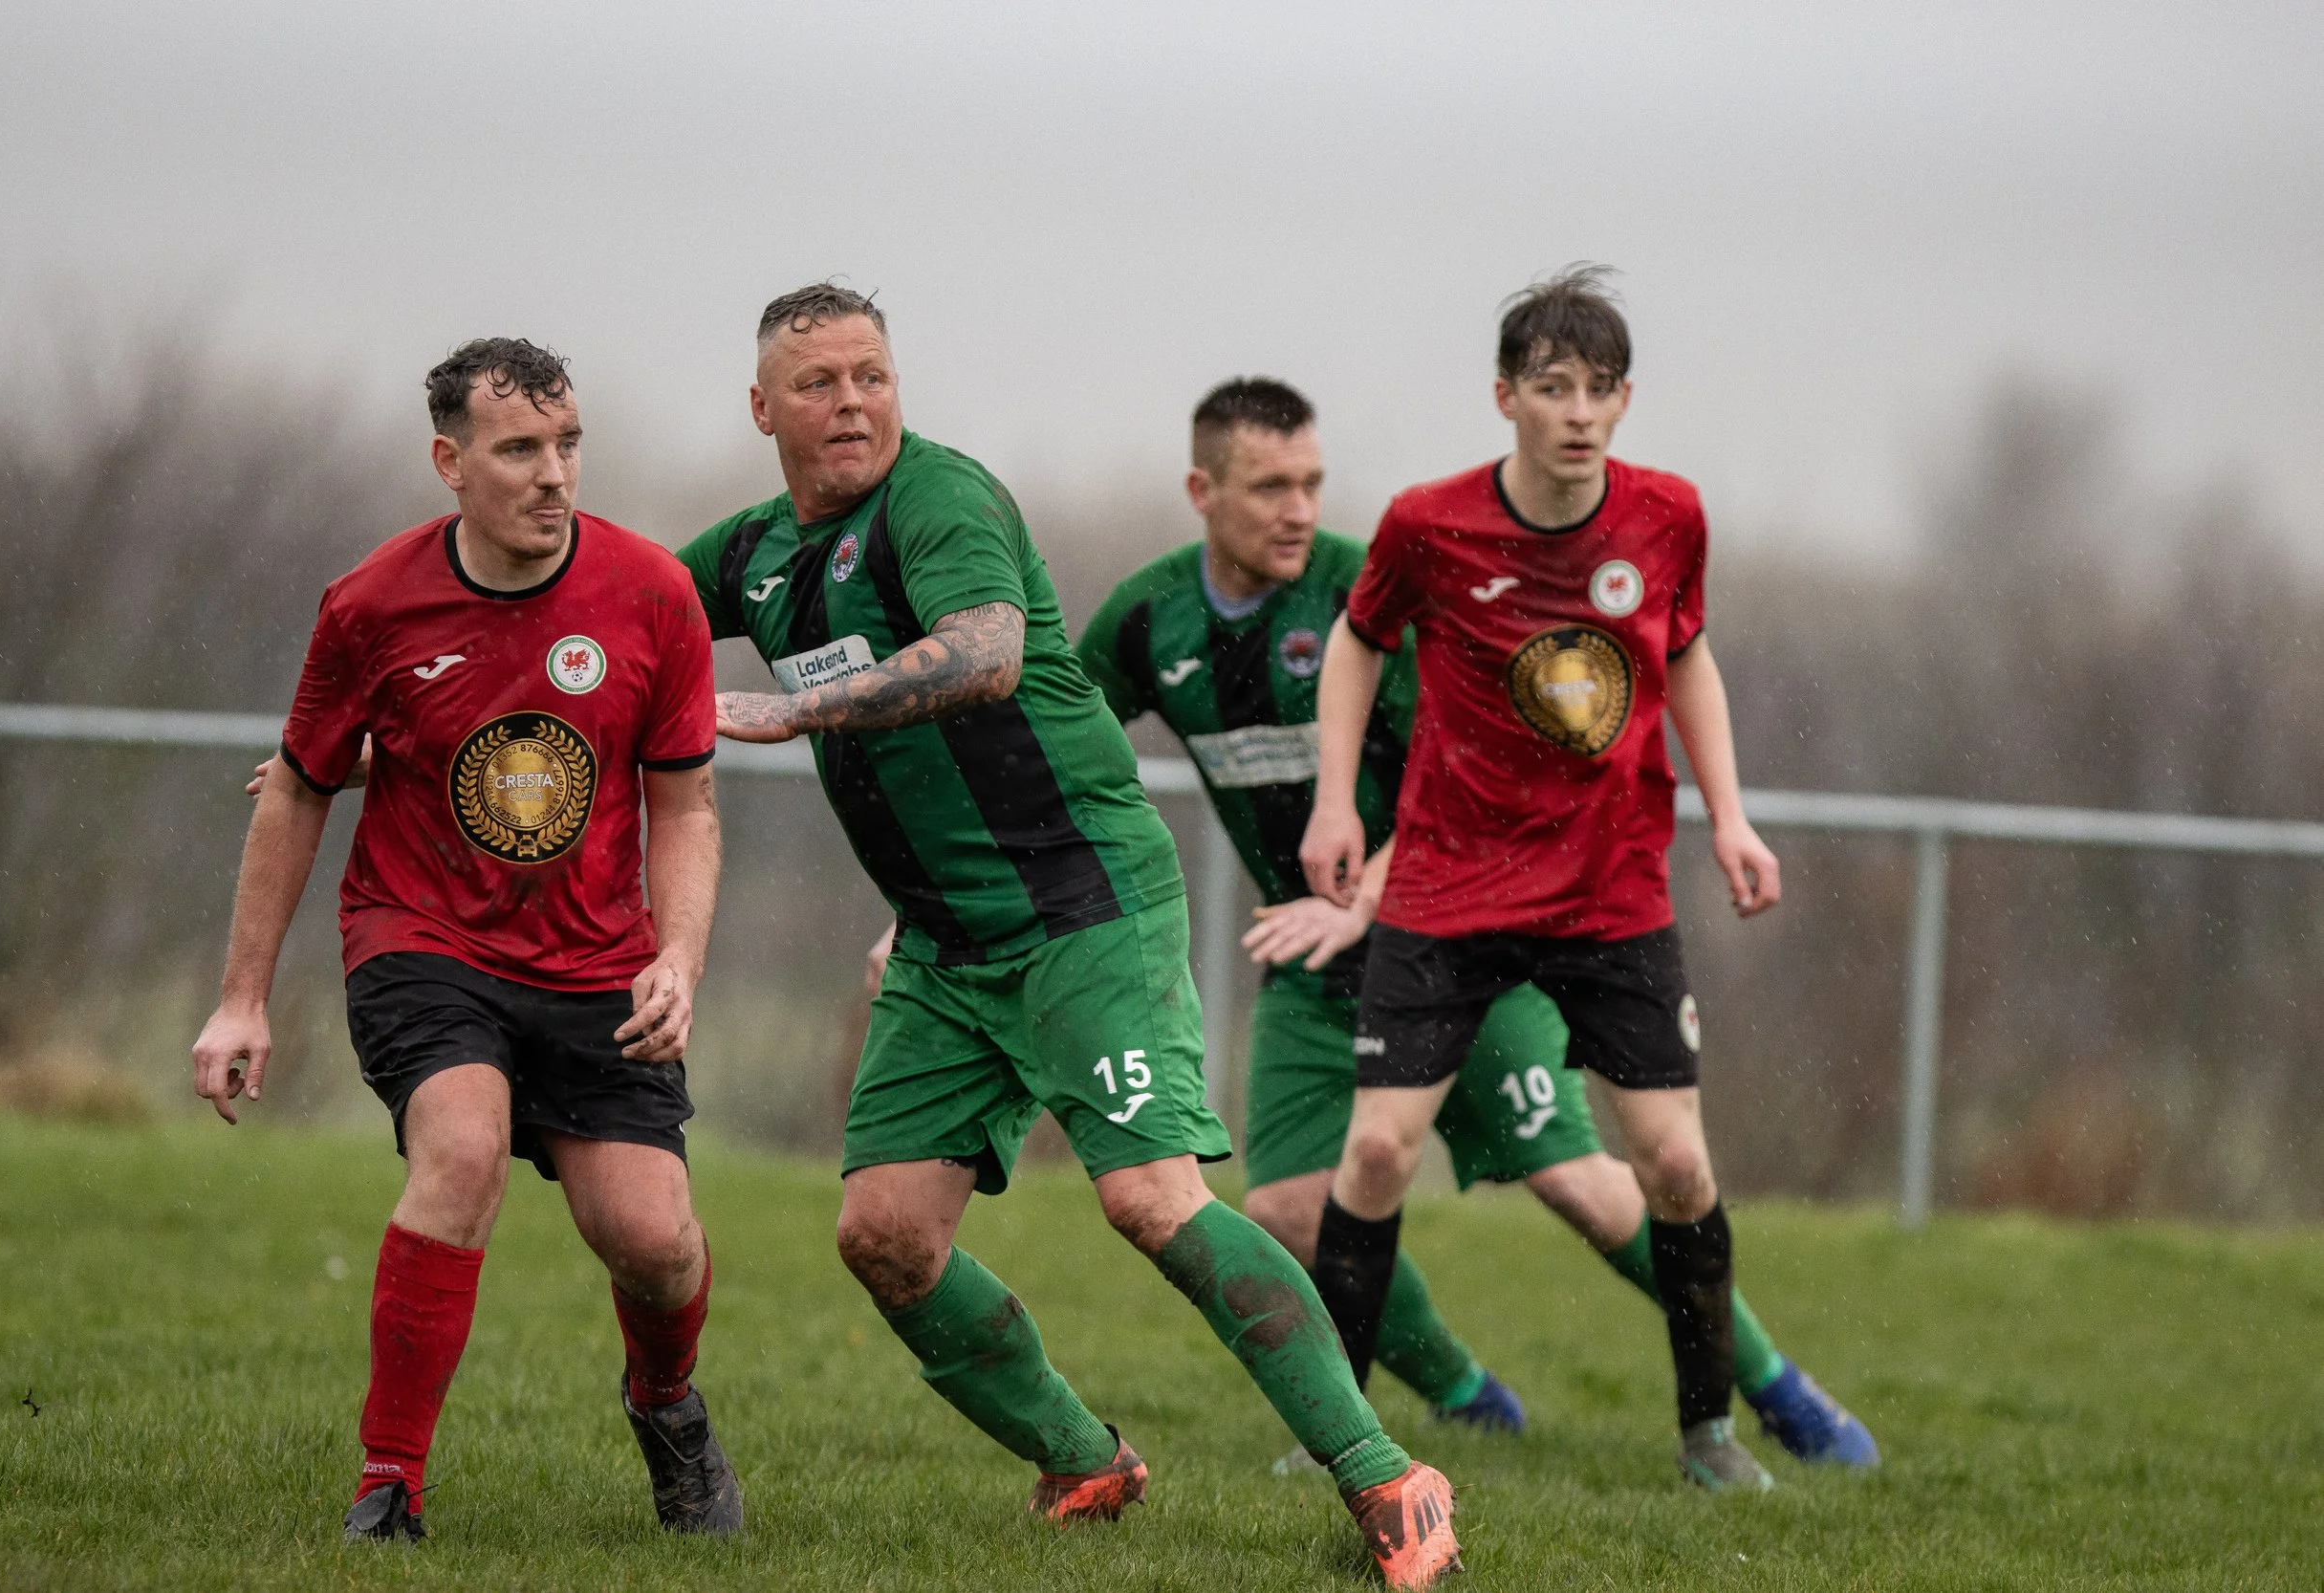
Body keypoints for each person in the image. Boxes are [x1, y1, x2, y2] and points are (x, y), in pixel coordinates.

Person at [677, 284, 1458, 1588]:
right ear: (764, 408)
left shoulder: (940, 499)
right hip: (944, 945)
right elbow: (600, 609)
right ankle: (1084, 1455)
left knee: (1150, 1199)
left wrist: (790, 712)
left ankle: (1388, 1474)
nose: (852, 401)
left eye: (872, 373)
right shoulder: (755, 551)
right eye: (818, 383)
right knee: (883, 1234)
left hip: (1080, 905)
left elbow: (983, 654)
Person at [1077, 377, 1878, 1472]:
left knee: (1588, 1189)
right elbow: (1052, 753)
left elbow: (1481, 785)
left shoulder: (1371, 596)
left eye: (1311, 483)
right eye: (1268, 487)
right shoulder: (1143, 619)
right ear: (1200, 490)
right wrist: (944, 899)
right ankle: (1463, 1393)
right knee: (1289, 1208)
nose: (1298, 510)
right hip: (1315, 966)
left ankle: (1777, 1388)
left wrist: (1358, 897)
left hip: (1465, 935)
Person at [193, 339, 741, 1544]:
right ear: (450, 463)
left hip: (598, 963)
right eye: (519, 450)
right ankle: (389, 1486)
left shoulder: (652, 593)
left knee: (650, 1241)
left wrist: (679, 959)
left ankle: (667, 1406)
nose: (554, 475)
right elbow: (295, 788)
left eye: (568, 445)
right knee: (460, 1152)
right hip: (421, 935)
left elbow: (688, 805)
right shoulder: (371, 604)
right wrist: (242, 999)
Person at [1299, 268, 1825, 1492]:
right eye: (1552, 388)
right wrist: (1337, 800)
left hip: (1611, 895)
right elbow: (1357, 642)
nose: (1579, 411)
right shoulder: (1427, 525)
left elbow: (1685, 658)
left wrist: (1732, 820)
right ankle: (1332, 1432)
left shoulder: (1669, 517)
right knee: (1376, 1154)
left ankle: (1707, 1437)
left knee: (1678, 1167)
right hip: (1446, 885)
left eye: (1600, 389)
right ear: (1505, 397)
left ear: (1625, 400)